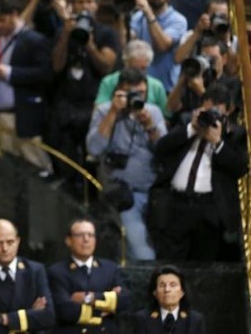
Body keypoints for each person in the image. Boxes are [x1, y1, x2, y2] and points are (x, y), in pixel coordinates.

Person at [153, 83, 248, 261]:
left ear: (228, 110)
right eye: (206, 111)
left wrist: (218, 142)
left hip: (209, 209)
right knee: (170, 259)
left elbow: (239, 168)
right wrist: (191, 129)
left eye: (216, 112)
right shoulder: (185, 124)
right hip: (176, 204)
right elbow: (161, 148)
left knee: (204, 262)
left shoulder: (236, 135)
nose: (210, 116)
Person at [86, 68, 167, 261]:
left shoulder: (152, 111)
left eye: (141, 93)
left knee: (147, 248)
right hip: (123, 194)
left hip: (152, 192)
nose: (137, 98)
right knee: (142, 252)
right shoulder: (105, 111)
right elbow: (94, 148)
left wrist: (150, 126)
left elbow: (164, 151)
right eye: (132, 94)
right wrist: (114, 112)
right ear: (119, 91)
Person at [0, 0, 54, 176]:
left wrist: (11, 73)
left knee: (36, 170)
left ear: (15, 14)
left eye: (2, 20)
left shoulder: (34, 40)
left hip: (23, 115)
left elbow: (45, 74)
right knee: (4, 174)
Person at [47, 0, 120, 188]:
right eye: (80, 2)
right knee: (63, 156)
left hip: (92, 103)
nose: (85, 6)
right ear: (73, 5)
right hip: (66, 103)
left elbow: (107, 66)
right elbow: (56, 65)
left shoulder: (106, 33)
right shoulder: (62, 31)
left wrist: (90, 45)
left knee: (90, 159)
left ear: (96, 5)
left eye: (89, 1)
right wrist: (65, 35)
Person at [0, 219, 55, 333]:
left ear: (18, 241)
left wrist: (3, 318)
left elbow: (48, 317)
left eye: (10, 242)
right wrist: (31, 315)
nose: (5, 249)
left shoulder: (36, 271)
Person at [47, 218, 131, 333]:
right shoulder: (57, 271)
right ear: (68, 240)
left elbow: (125, 300)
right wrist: (106, 307)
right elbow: (65, 310)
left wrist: (90, 298)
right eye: (80, 235)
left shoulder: (110, 268)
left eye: (91, 235)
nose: (86, 239)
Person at [167, 36, 241, 126]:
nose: (208, 63)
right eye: (204, 58)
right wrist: (183, 78)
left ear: (224, 59)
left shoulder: (232, 83)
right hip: (185, 127)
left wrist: (202, 92)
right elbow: (171, 107)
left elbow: (226, 111)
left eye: (213, 59)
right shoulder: (193, 79)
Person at [95, 40, 168, 118]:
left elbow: (166, 116)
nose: (139, 72)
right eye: (135, 68)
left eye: (143, 68)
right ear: (126, 63)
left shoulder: (156, 86)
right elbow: (97, 112)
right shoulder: (109, 82)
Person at [129, 0, 187, 92]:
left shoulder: (178, 20)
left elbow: (163, 45)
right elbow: (128, 43)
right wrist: (121, 16)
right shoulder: (138, 17)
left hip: (165, 88)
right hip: (138, 85)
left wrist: (149, 13)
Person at [173, 0, 238, 76]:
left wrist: (227, 42)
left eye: (223, 17)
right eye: (215, 16)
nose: (219, 20)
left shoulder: (232, 40)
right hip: (195, 80)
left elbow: (232, 70)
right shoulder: (191, 35)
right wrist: (197, 32)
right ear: (206, 15)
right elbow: (177, 59)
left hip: (221, 85)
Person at [134, 265, 206, 333]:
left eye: (173, 285)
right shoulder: (143, 319)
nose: (167, 290)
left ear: (182, 292)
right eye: (162, 285)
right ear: (155, 292)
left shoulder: (194, 320)